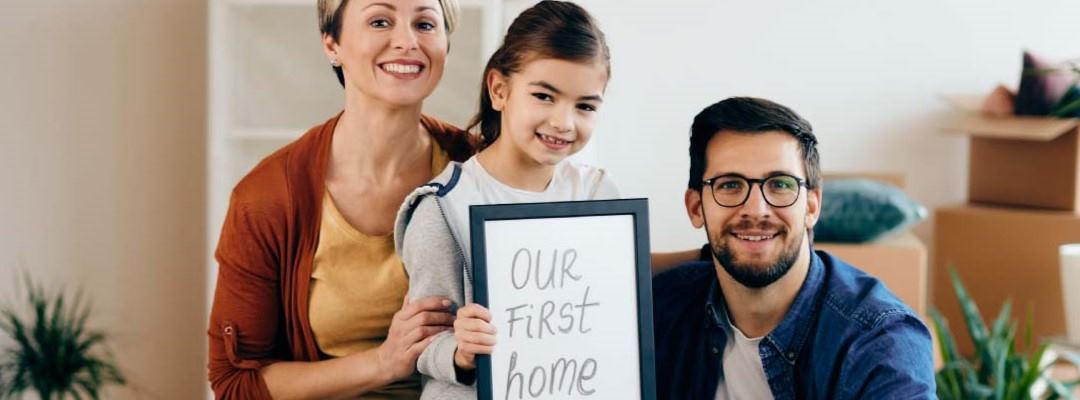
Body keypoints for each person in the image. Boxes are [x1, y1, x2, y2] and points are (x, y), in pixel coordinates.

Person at [206, 0, 479, 398]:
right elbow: (235, 383)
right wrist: (383, 362)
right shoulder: (266, 198)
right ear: (332, 44)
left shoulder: (481, 171)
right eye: (380, 21)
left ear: (445, 46)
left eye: (424, 24)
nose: (406, 40)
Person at [394, 1, 615, 398]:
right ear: (499, 90)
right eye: (545, 96)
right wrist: (461, 350)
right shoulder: (443, 208)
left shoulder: (598, 193)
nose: (564, 122)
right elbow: (423, 343)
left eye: (584, 106)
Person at [652, 97, 936, 399]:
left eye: (780, 184)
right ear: (696, 208)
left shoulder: (880, 341)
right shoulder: (664, 310)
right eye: (730, 185)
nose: (756, 209)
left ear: (812, 206)